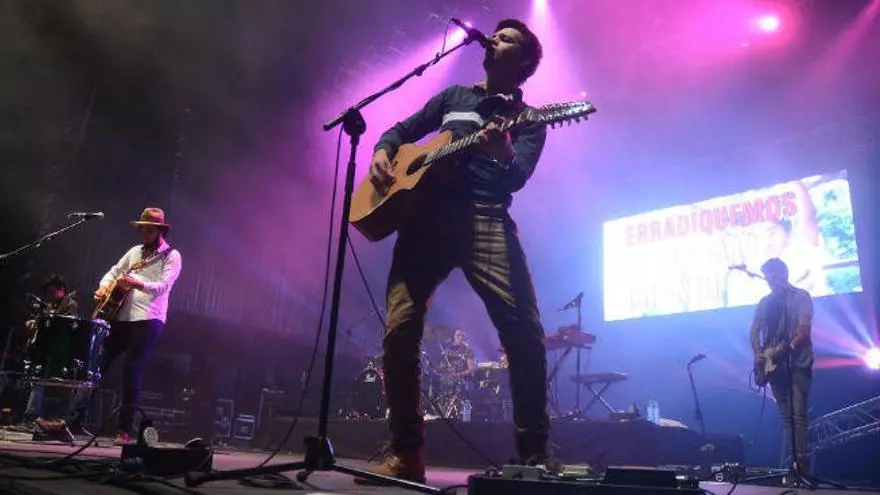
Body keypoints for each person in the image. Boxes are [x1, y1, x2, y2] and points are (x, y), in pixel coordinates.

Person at [359, 18, 553, 484]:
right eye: (497, 34)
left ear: (524, 62)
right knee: (399, 330)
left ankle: (534, 454)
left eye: (508, 38)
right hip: (426, 219)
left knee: (523, 331)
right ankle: (406, 453)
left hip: (486, 217)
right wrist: (383, 150)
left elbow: (517, 177)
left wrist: (504, 151)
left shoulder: (529, 120)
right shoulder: (454, 98)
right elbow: (402, 130)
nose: (495, 38)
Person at [37, 208, 182, 445]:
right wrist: (104, 286)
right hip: (120, 318)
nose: (144, 233)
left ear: (160, 231)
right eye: (142, 229)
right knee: (95, 368)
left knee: (131, 372)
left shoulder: (172, 256)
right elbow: (114, 271)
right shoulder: (134, 252)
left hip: (148, 320)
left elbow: (163, 286)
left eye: (149, 230)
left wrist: (136, 282)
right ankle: (69, 423)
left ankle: (123, 430)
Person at [750, 257, 814, 473]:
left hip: (797, 363)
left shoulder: (801, 297)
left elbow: (804, 330)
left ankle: (801, 467)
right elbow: (754, 330)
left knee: (798, 416)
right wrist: (759, 354)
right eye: (767, 275)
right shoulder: (765, 303)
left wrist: (788, 348)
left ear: (783, 274)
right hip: (774, 366)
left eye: (773, 274)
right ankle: (794, 466)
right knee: (787, 418)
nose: (769, 279)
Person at [21, 274, 79, 425]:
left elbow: (70, 326)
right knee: (36, 380)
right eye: (48, 292)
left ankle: (62, 421)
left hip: (61, 351)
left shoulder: (70, 304)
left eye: (52, 291)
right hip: (44, 348)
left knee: (64, 386)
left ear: (61, 290)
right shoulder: (47, 305)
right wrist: (33, 322)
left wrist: (53, 317)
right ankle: (31, 417)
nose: (49, 295)